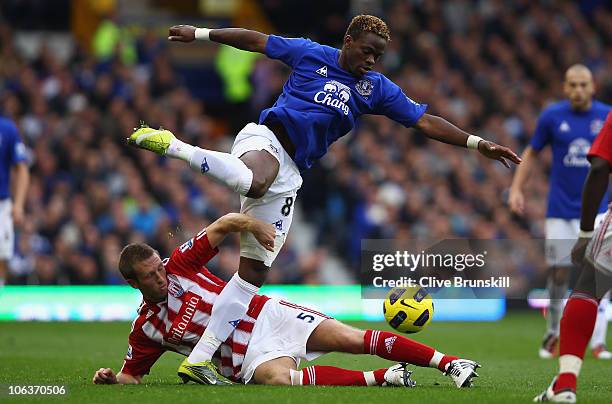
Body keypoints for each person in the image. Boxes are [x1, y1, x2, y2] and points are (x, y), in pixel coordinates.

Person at [127, 15, 519, 382]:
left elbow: (423, 121)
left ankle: (198, 360)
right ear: (347, 41)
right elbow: (257, 42)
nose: (371, 60)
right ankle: (175, 146)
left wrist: (477, 143)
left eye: (378, 55)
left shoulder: (376, 88)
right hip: (267, 140)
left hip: (293, 172)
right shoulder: (311, 53)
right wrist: (199, 34)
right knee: (254, 181)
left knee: (254, 273)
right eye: (366, 50)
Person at [92, 212, 480, 388]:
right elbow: (133, 376)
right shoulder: (146, 329)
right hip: (244, 360)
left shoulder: (181, 264)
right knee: (276, 379)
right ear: (132, 283)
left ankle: (450, 363)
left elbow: (224, 223)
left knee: (352, 340)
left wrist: (254, 224)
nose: (161, 276)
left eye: (159, 268)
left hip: (267, 316)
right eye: (151, 276)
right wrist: (111, 379)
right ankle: (382, 378)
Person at [509, 64, 611, 360]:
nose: (578, 90)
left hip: (600, 211)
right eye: (572, 85)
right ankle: (553, 333)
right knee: (558, 274)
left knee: (600, 275)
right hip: (559, 212)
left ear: (593, 87)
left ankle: (599, 342)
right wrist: (516, 188)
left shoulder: (607, 115)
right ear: (565, 88)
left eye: (583, 84)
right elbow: (531, 152)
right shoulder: (552, 116)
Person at [534, 112, 612, 403]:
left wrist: (586, 232)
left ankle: (565, 383)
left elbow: (601, 165)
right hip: (558, 210)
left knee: (588, 288)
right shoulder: (555, 115)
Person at [0, 114, 29, 287]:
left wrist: (18, 204)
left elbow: (22, 167)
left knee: (1, 257)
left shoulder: (7, 128)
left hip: (1, 204)